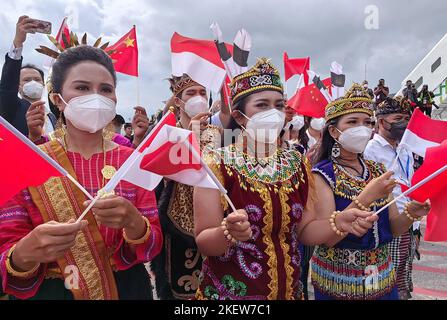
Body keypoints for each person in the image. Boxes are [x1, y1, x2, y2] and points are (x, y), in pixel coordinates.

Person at [194, 59, 381, 300]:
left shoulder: (297, 162)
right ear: (240, 117)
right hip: (231, 295)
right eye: (262, 105)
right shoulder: (214, 164)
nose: (273, 113)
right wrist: (227, 232)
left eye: (279, 105)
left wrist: (338, 223)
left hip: (290, 291)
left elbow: (305, 230)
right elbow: (204, 242)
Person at [0, 44, 162, 300]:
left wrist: (133, 222)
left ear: (115, 99)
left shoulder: (131, 160)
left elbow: (152, 243)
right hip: (52, 290)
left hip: (127, 288)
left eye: (106, 89)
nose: (96, 97)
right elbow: (6, 249)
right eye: (82, 88)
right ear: (58, 100)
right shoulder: (29, 160)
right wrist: (25, 251)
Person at [310, 83, 430, 300]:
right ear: (333, 131)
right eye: (353, 122)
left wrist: (412, 213)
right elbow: (327, 238)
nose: (363, 128)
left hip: (382, 277)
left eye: (367, 122)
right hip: (339, 280)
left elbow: (392, 227)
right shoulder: (322, 173)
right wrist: (368, 195)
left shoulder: (377, 170)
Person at [151, 73, 221, 300]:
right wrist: (190, 136)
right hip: (176, 221)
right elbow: (159, 176)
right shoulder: (165, 134)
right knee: (181, 290)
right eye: (191, 93)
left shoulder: (219, 134)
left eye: (203, 93)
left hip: (214, 219)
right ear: (178, 101)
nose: (198, 98)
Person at [364, 96, 417, 300]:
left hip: (408, 221)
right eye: (398, 118)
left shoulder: (404, 149)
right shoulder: (370, 150)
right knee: (388, 279)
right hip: (388, 223)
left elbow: (409, 182)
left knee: (404, 274)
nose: (403, 123)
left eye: (406, 117)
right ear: (382, 122)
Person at [0, 16, 56, 136]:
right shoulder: (12, 108)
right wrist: (18, 42)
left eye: (37, 79)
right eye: (27, 80)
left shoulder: (53, 116)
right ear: (18, 86)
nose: (33, 82)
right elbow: (7, 86)